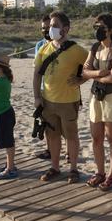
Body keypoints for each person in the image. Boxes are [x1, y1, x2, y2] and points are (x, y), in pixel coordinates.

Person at [33, 11, 88, 183]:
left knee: (71, 136)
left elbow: (91, 67)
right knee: (52, 135)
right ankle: (54, 167)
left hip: (68, 101)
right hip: (48, 101)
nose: (51, 29)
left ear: (66, 28)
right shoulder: (44, 49)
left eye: (55, 26)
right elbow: (36, 75)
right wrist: (37, 97)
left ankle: (73, 169)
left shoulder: (77, 50)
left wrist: (81, 79)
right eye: (50, 26)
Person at [82, 14, 112, 191]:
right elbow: (85, 71)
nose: (98, 30)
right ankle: (100, 172)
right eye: (96, 26)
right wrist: (100, 74)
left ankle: (111, 175)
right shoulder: (94, 48)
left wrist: (94, 74)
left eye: (101, 27)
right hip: (96, 96)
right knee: (96, 137)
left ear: (111, 30)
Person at [34, 15, 52, 161]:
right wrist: (37, 96)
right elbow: (37, 70)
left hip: (60, 91)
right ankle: (49, 149)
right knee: (45, 121)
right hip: (43, 89)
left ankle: (68, 153)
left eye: (49, 27)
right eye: (43, 28)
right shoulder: (39, 45)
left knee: (64, 125)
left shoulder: (67, 45)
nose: (46, 30)